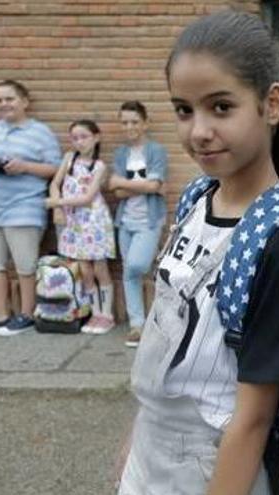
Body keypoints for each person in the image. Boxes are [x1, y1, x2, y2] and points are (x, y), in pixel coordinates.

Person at [116, 11, 279, 495]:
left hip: (218, 465)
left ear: (271, 104)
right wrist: (138, 438)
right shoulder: (194, 199)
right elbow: (168, 330)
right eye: (184, 110)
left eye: (221, 107)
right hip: (152, 453)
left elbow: (253, 416)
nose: (198, 131)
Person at [0, 80, 62, 336]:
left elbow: (56, 169)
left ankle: (27, 314)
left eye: (9, 99)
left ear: (24, 102)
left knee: (25, 264)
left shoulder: (40, 132)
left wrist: (25, 167)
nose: (3, 104)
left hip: (25, 207)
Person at [106, 101, 169, 347]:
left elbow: (156, 186)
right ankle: (137, 325)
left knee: (137, 265)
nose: (129, 126)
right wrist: (145, 186)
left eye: (134, 121)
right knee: (129, 273)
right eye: (124, 122)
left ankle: (157, 321)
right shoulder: (121, 154)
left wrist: (123, 183)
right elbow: (116, 191)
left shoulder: (156, 151)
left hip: (149, 221)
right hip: (125, 221)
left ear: (145, 123)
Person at [45, 119, 117, 334]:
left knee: (99, 267)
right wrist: (57, 205)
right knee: (84, 269)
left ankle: (107, 314)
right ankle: (95, 313)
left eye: (84, 137)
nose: (79, 142)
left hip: (94, 221)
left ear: (96, 137)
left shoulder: (100, 166)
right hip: (73, 222)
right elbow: (55, 184)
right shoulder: (69, 159)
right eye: (75, 138)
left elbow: (87, 197)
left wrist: (58, 203)